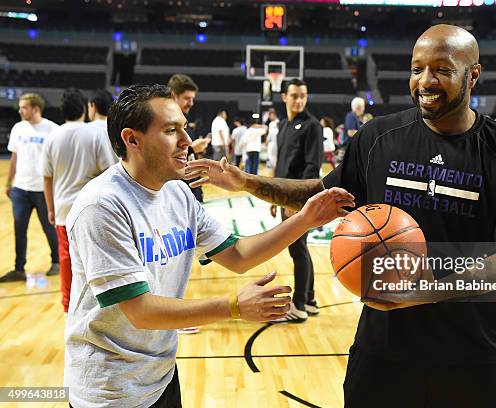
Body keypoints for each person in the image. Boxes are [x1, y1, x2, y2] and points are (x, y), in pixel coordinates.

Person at [185, 24, 496, 407]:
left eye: (442, 70)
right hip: (384, 353)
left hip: (473, 357)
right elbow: (320, 196)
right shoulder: (379, 137)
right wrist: (246, 180)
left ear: (473, 74)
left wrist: (423, 292)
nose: (425, 81)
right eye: (417, 69)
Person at [64, 84, 354, 407]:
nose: (187, 141)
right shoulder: (102, 206)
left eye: (184, 129)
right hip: (110, 390)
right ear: (132, 139)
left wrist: (305, 219)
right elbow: (140, 311)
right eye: (171, 131)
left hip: (160, 377)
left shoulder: (177, 194)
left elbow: (239, 255)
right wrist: (233, 307)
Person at [41, 89, 116, 311]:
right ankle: (99, 303)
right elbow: (108, 171)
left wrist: (50, 209)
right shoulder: (93, 134)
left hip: (63, 208)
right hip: (91, 208)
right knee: (97, 257)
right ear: (84, 108)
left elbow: (47, 177)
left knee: (66, 258)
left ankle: (68, 307)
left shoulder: (52, 137)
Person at [264, 78, 323, 323]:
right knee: (299, 249)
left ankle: (298, 306)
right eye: (295, 96)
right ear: (284, 97)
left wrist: (296, 202)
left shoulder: (312, 126)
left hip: (300, 200)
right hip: (286, 197)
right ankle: (309, 300)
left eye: (303, 96)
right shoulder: (284, 126)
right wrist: (273, 195)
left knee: (298, 250)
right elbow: (282, 165)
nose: (299, 100)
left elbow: (312, 167)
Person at [1, 93, 60, 284]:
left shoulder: (52, 129)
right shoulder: (18, 128)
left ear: (35, 108)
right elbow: (14, 158)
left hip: (42, 189)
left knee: (48, 227)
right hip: (20, 188)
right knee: (19, 228)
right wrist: (9, 183)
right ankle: (19, 269)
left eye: (23, 107)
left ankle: (56, 262)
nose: (20, 110)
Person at [168, 74, 208, 202]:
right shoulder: (164, 124)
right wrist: (192, 148)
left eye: (192, 99)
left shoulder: (186, 121)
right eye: (187, 98)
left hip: (192, 193)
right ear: (174, 96)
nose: (191, 103)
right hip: (177, 197)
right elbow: (163, 158)